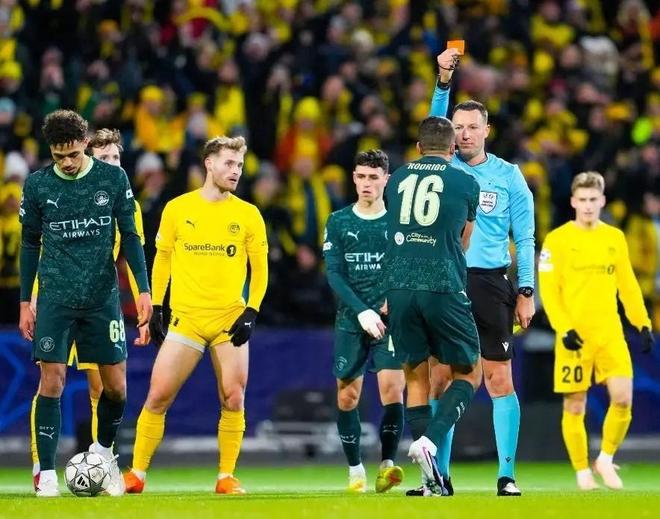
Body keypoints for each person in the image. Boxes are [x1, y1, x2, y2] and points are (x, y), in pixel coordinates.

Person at [123, 135, 268, 495]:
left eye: (239, 165)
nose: (236, 171)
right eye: (229, 163)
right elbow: (162, 259)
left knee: (234, 396)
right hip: (186, 318)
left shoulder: (248, 214)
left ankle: (226, 477)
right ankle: (136, 474)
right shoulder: (178, 208)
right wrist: (158, 306)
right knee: (158, 396)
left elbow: (260, 269)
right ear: (209, 163)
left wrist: (252, 310)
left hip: (228, 318)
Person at [19, 109, 152, 497]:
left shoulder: (112, 179)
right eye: (59, 156)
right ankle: (46, 473)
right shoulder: (38, 185)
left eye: (73, 154)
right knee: (52, 380)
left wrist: (143, 291)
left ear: (84, 144)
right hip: (56, 298)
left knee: (116, 388)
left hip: (101, 298)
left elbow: (131, 236)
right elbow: (29, 245)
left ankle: (103, 455)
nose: (67, 163)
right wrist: (26, 301)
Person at [425, 48, 535, 496]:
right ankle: (440, 477)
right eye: (458, 127)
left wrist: (526, 290)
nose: (464, 134)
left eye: (472, 127)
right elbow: (432, 125)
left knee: (498, 379)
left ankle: (506, 475)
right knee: (441, 378)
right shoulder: (443, 167)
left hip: (490, 283)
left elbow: (525, 238)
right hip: (446, 281)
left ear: (487, 130)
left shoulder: (509, 176)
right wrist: (443, 80)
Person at [384, 116, 482, 497]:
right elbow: (464, 241)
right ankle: (430, 442)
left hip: (398, 287)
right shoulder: (466, 182)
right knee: (469, 373)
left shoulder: (396, 179)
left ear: (418, 147)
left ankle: (430, 481)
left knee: (415, 377)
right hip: (442, 285)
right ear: (453, 147)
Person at [539, 171, 654, 490]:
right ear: (573, 201)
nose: (588, 205)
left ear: (602, 201)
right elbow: (549, 291)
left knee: (623, 400)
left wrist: (642, 322)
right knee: (575, 405)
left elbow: (628, 285)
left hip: (609, 333)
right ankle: (582, 471)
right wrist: (563, 328)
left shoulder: (614, 238)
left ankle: (605, 458)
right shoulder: (557, 240)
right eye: (583, 200)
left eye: (593, 199)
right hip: (574, 337)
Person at [322, 149, 405, 493]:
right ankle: (355, 469)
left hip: (391, 320)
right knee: (347, 396)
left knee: (392, 390)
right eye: (361, 176)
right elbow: (334, 274)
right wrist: (362, 310)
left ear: (386, 180)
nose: (366, 183)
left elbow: (408, 265)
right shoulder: (339, 221)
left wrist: (393, 299)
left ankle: (387, 465)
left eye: (373, 177)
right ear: (353, 179)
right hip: (351, 319)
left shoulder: (399, 221)